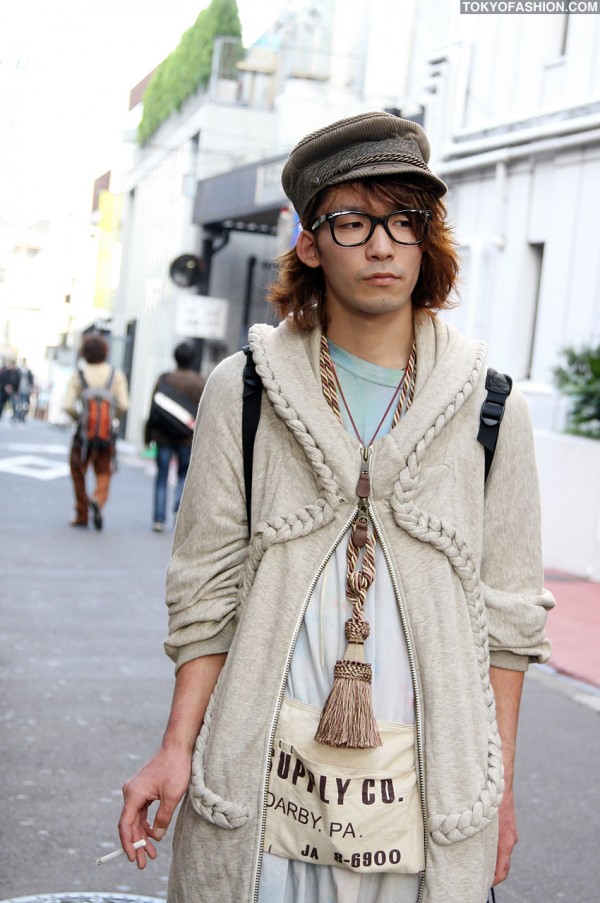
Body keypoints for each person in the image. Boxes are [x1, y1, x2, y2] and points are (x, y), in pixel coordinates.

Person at [118, 112, 555, 903]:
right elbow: (206, 593)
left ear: (427, 239)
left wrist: (500, 787)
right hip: (265, 776)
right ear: (311, 243)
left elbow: (510, 620)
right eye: (352, 221)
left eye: (403, 221)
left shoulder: (492, 410)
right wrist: (173, 747)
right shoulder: (245, 390)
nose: (382, 244)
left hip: (427, 783)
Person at [63, 334, 129, 530]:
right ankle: (98, 500)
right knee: (104, 471)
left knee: (77, 470)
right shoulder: (115, 375)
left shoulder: (79, 374)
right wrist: (112, 418)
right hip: (106, 435)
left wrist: (80, 419)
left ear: (85, 353)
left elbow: (67, 405)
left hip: (82, 436)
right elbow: (124, 404)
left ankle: (82, 513)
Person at [144, 342, 205, 532]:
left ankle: (158, 519)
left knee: (161, 477)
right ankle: (178, 504)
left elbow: (153, 410)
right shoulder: (200, 382)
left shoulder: (164, 380)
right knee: (183, 475)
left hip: (163, 437)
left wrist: (148, 436)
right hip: (188, 438)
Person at [12, 358, 35, 422]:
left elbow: (31, 381)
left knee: (25, 405)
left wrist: (31, 388)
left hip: (26, 391)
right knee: (17, 404)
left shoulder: (28, 370)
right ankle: (16, 416)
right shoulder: (18, 370)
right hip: (18, 390)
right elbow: (14, 380)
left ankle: (22, 417)